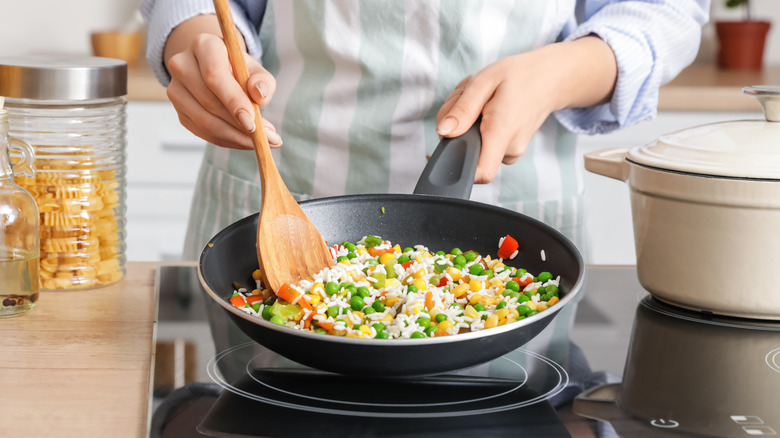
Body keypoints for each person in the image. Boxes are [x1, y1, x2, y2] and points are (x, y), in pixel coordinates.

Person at [141, 0, 708, 398]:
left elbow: (665, 11)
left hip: (517, 188)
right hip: (286, 178)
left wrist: (562, 71)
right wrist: (194, 40)